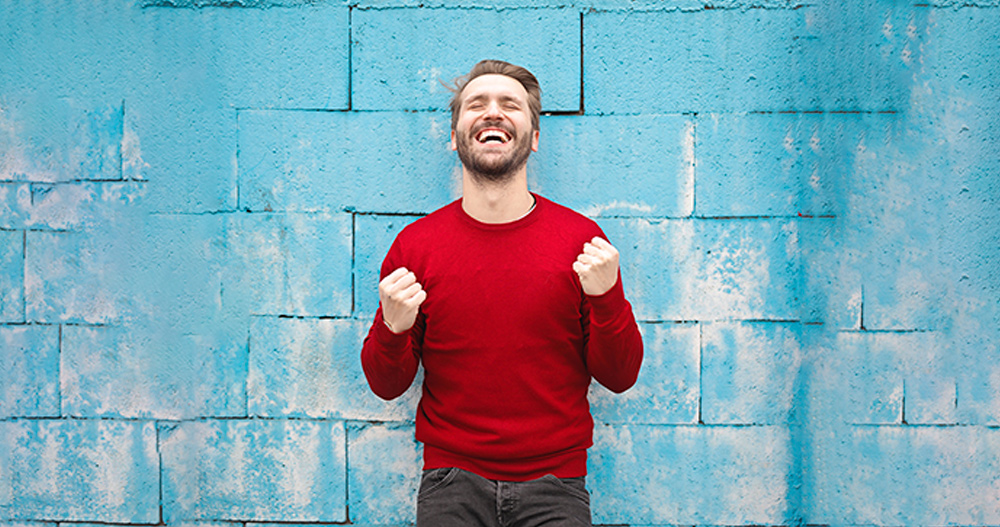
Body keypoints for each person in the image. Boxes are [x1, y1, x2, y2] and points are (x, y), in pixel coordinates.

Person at [361, 59, 643, 527]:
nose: (493, 112)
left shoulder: (582, 242)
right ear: (455, 136)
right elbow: (386, 385)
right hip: (450, 483)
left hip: (557, 485)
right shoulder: (416, 247)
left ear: (533, 138)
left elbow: (620, 376)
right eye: (477, 104)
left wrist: (607, 298)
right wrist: (393, 327)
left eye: (509, 104)